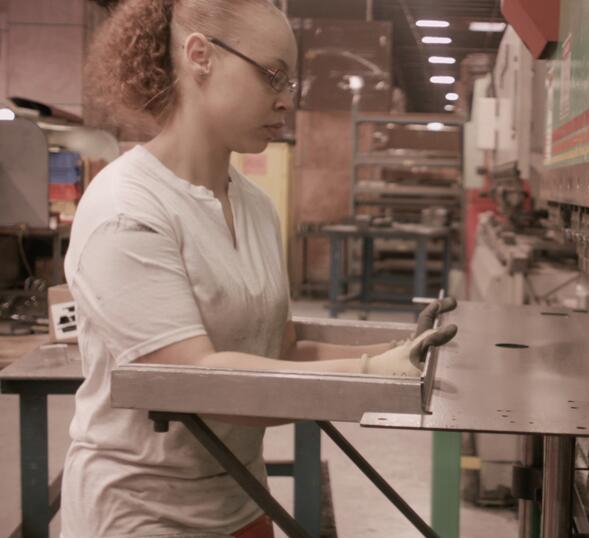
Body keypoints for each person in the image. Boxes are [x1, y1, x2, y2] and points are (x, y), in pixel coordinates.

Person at [60, 1, 458, 536]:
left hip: (243, 498)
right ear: (200, 56)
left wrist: (398, 351)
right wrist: (371, 378)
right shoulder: (126, 210)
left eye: (290, 82)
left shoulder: (254, 205)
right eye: (273, 75)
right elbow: (199, 382)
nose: (286, 99)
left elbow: (280, 350)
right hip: (144, 513)